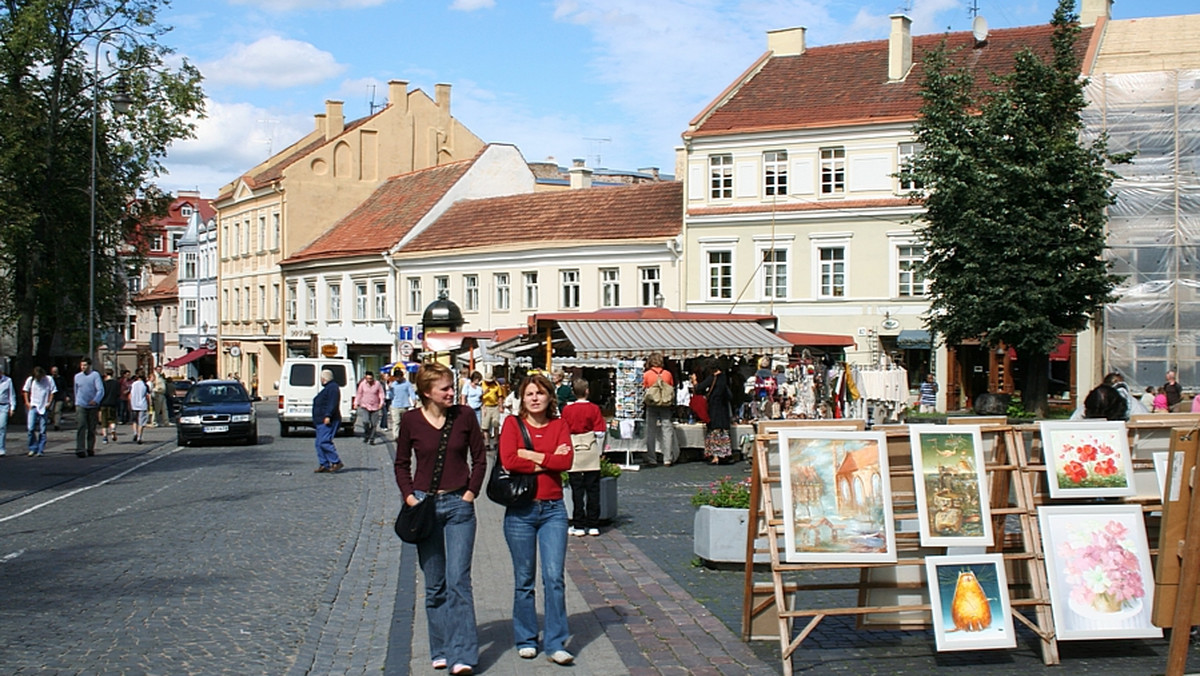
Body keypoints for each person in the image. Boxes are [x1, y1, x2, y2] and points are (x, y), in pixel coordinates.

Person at [394, 362, 486, 675]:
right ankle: (441, 648)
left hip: (460, 506)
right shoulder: (410, 421)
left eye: (452, 386)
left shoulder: (465, 416)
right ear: (427, 392)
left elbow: (481, 457)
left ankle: (463, 655)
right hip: (425, 506)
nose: (451, 392)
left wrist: (471, 492)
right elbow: (401, 463)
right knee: (435, 584)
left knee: (459, 580)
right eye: (445, 388)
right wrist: (409, 496)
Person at [498, 373, 575, 665]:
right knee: (524, 579)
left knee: (554, 578)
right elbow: (509, 460)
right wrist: (547, 458)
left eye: (540, 393)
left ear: (549, 397)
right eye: (529, 393)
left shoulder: (560, 424)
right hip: (521, 511)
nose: (535, 398)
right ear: (522, 397)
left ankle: (556, 642)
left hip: (553, 509)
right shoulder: (511, 424)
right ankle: (526, 638)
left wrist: (530, 454)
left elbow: (565, 462)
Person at [562, 378, 606, 537]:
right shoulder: (594, 409)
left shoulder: (567, 410)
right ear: (587, 391)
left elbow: (563, 430)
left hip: (575, 449)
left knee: (577, 490)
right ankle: (593, 524)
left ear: (573, 392)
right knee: (593, 489)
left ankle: (578, 524)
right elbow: (600, 432)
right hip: (590, 449)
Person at [642, 352, 675, 467]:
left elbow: (644, 388)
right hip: (665, 404)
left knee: (651, 430)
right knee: (667, 430)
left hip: (652, 404)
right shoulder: (668, 374)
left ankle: (652, 458)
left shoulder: (647, 374)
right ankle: (667, 458)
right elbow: (671, 386)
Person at [696, 361, 733, 464]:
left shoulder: (713, 378)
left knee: (714, 432)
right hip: (724, 408)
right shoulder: (725, 378)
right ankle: (724, 454)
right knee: (723, 432)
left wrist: (694, 382)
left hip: (714, 407)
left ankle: (715, 456)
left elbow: (699, 387)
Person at [313, 369, 344, 473]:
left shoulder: (332, 388)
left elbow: (332, 403)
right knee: (318, 443)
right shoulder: (328, 388)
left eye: (322, 377)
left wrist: (328, 415)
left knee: (324, 442)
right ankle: (324, 464)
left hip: (328, 420)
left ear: (324, 378)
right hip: (320, 420)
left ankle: (336, 461)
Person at [73, 357, 103, 457]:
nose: (83, 367)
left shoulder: (95, 375)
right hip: (81, 404)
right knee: (81, 426)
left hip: (92, 405)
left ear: (89, 366)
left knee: (91, 428)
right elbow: (76, 390)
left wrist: (95, 400)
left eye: (85, 365)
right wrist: (76, 402)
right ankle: (80, 449)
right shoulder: (77, 377)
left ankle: (90, 448)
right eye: (81, 365)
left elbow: (100, 390)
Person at [23, 366, 55, 457]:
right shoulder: (30, 380)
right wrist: (27, 402)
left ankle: (40, 449)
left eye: (39, 377)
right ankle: (32, 448)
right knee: (31, 428)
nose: (39, 379)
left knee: (42, 430)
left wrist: (49, 402)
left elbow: (53, 391)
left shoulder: (48, 379)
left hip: (43, 406)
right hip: (33, 405)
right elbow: (25, 391)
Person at [355, 371, 385, 445]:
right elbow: (359, 394)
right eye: (368, 379)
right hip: (365, 405)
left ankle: (372, 439)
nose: (369, 380)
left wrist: (381, 402)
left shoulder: (377, 384)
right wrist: (356, 403)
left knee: (374, 424)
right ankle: (367, 434)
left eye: (371, 379)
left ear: (373, 378)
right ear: (365, 378)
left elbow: (381, 393)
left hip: (375, 406)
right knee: (365, 421)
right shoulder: (362, 384)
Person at [480, 370, 505, 451]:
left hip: (495, 406)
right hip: (485, 406)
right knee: (485, 426)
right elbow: (477, 396)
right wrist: (484, 393)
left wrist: (501, 406)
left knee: (496, 424)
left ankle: (495, 441)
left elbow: (500, 396)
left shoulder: (496, 385)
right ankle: (487, 443)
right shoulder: (481, 385)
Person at [388, 369, 417, 439]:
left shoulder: (407, 383)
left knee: (404, 423)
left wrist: (414, 400)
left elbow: (411, 392)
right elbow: (390, 396)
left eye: (399, 377)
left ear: (402, 376)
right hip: (395, 406)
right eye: (396, 377)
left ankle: (404, 435)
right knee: (396, 422)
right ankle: (396, 436)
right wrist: (390, 389)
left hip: (405, 405)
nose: (397, 378)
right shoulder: (393, 385)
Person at [128, 370, 150, 444]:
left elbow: (130, 395)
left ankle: (135, 433)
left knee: (134, 420)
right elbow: (147, 396)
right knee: (141, 422)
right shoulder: (145, 385)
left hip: (134, 405)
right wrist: (149, 405)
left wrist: (130, 404)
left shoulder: (133, 384)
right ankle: (139, 437)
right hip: (142, 405)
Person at [99, 369, 120, 444]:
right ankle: (113, 430)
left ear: (105, 374)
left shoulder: (103, 383)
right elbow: (118, 394)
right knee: (112, 419)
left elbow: (100, 393)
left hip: (104, 403)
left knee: (104, 421)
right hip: (113, 403)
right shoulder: (116, 383)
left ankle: (105, 437)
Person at [0, 365, 13, 457]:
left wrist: (12, 408)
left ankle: (1, 448)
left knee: (2, 427)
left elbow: (11, 395)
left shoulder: (7, 381)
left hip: (4, 405)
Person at [49, 365, 67, 430]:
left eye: (55, 371)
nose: (54, 373)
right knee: (51, 411)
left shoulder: (61, 379)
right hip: (51, 397)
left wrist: (66, 396)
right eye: (53, 371)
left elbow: (65, 388)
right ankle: (52, 420)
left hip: (60, 397)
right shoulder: (50, 379)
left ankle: (57, 424)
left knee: (57, 411)